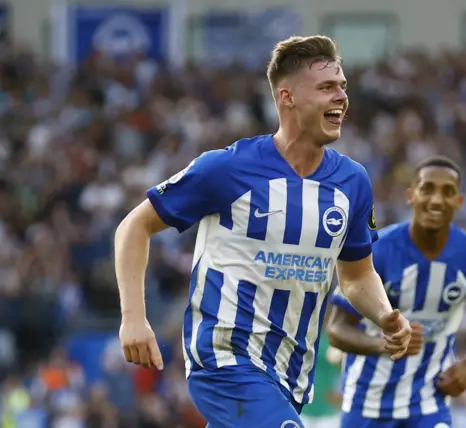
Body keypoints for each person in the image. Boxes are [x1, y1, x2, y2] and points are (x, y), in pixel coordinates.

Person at [113, 35, 412, 428]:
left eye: (342, 86)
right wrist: (134, 318)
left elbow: (356, 275)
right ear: (287, 97)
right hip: (225, 359)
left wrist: (386, 316)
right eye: (326, 87)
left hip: (288, 374)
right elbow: (135, 226)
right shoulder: (227, 169)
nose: (341, 96)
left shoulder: (352, 183)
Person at [327, 156, 466, 428]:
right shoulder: (377, 253)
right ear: (411, 196)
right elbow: (336, 330)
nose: (436, 200)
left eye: (447, 192)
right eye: (428, 189)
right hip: (366, 403)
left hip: (428, 404)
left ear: (459, 202)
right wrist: (383, 344)